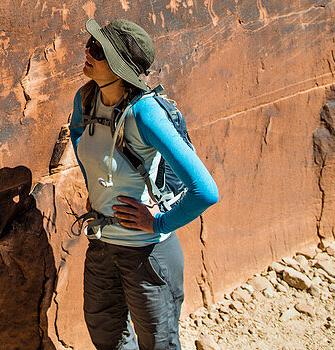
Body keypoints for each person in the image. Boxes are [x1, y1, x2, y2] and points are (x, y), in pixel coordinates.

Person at [51, 18, 219, 350]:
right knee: (107, 338)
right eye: (90, 43)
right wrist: (97, 194)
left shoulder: (146, 113)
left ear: (119, 65)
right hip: (102, 246)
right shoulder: (85, 100)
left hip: (148, 254)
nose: (87, 50)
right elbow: (83, 144)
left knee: (158, 344)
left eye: (97, 49)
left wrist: (157, 222)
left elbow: (206, 191)